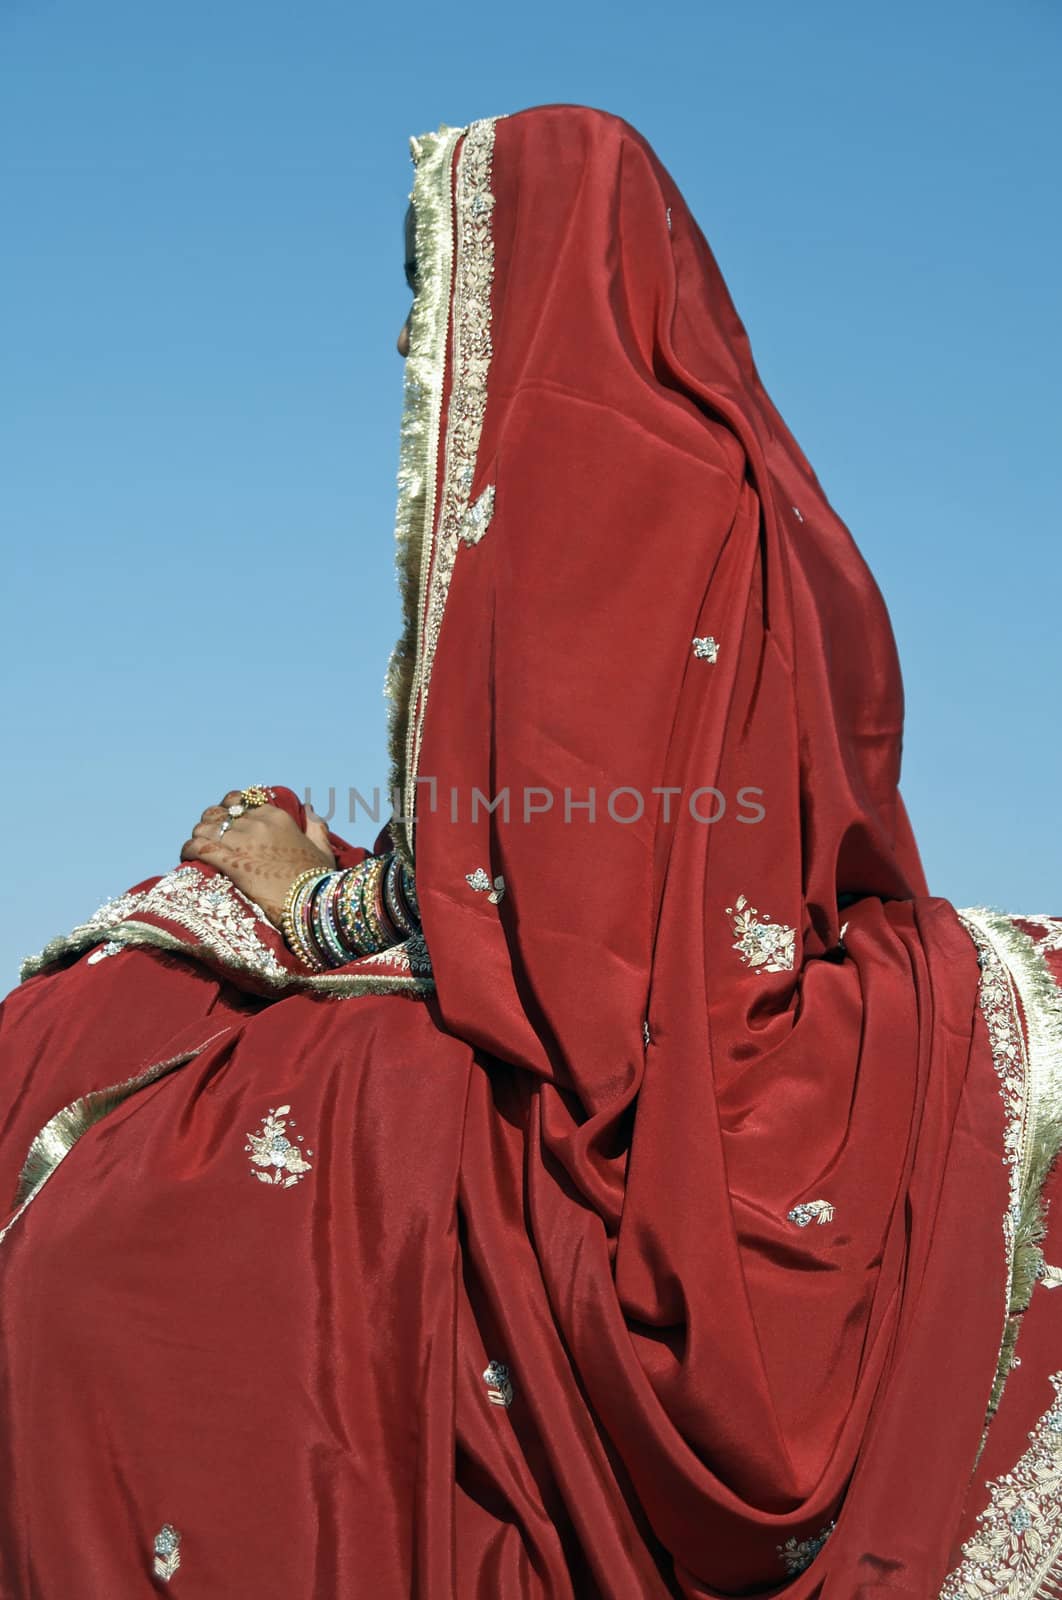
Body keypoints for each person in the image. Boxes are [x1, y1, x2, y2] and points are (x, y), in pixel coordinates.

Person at [0, 104, 1059, 1600]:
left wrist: (304, 905)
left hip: (647, 1076)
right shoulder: (765, 503)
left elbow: (580, 924)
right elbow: (637, 861)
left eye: (442, 290)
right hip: (723, 1006)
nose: (418, 351)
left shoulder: (584, 497)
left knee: (159, 1192)